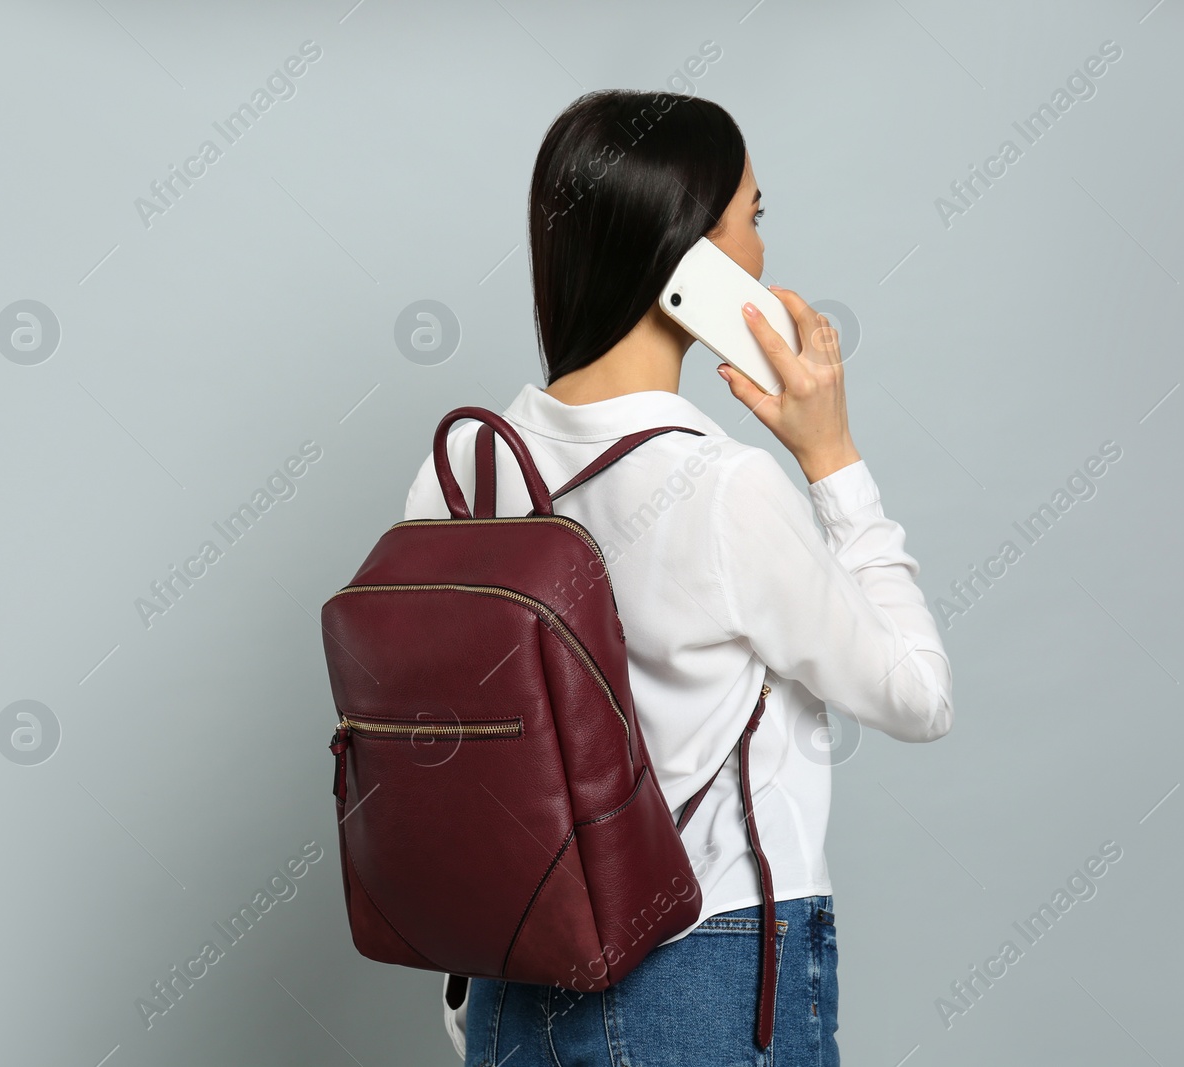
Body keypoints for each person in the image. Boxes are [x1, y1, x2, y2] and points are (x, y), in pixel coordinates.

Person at [400, 88, 954, 1067]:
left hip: (500, 979)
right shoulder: (726, 485)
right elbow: (917, 695)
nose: (762, 250)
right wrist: (833, 460)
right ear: (689, 253)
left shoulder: (460, 471)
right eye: (753, 218)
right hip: (704, 967)